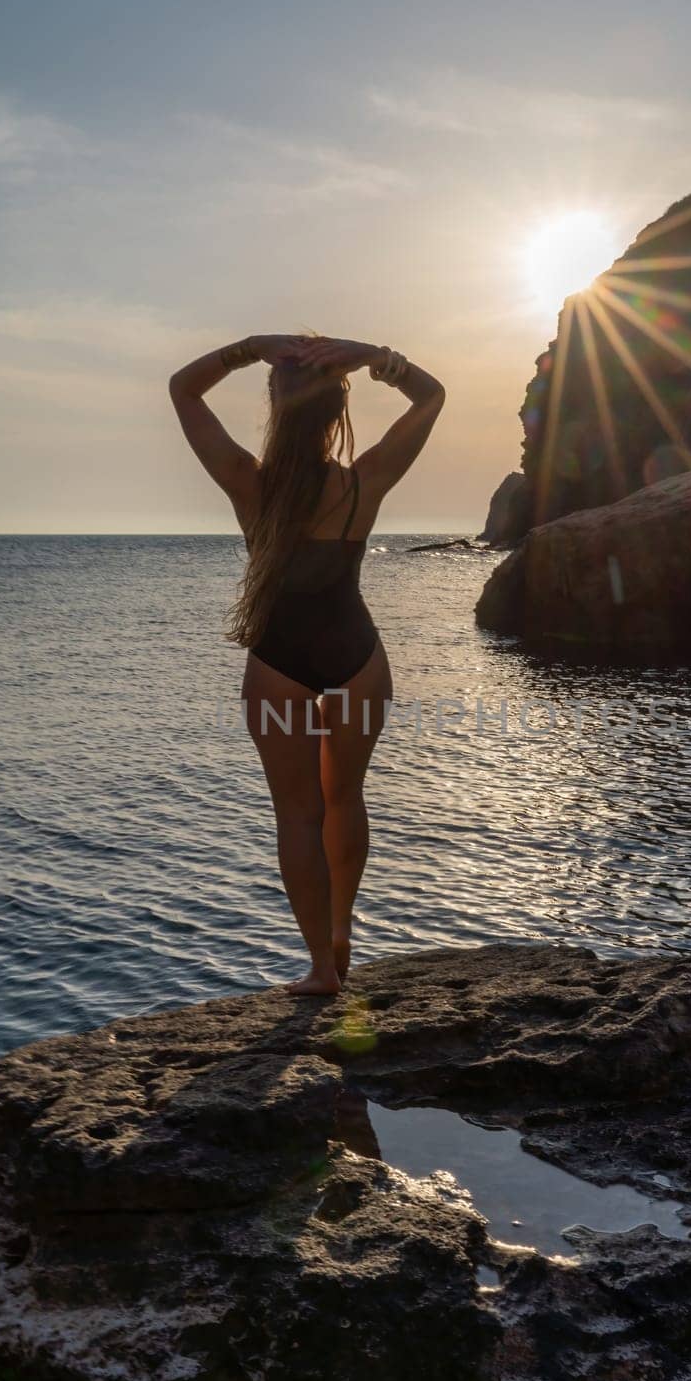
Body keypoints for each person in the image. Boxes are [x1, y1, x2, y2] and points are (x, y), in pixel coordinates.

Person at [168, 333, 445, 996]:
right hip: (357, 659)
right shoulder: (363, 482)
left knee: (298, 816)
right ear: (335, 412)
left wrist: (249, 348)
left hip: (278, 666)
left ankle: (321, 966)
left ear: (275, 407)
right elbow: (429, 395)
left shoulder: (247, 483)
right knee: (343, 798)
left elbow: (182, 388)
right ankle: (342, 931)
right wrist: (372, 355)